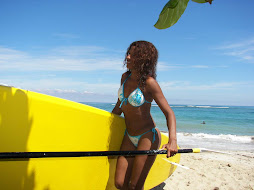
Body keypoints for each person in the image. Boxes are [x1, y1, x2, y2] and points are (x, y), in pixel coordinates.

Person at [112, 41, 177, 190]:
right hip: (129, 135)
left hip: (147, 136)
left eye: (133, 55)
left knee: (135, 186)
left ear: (143, 58)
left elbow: (169, 112)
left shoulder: (149, 83)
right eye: (128, 53)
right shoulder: (124, 78)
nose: (127, 57)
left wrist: (172, 140)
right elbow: (119, 106)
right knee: (120, 183)